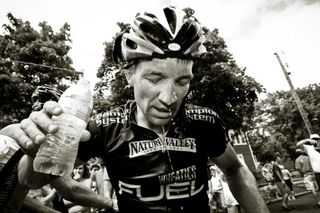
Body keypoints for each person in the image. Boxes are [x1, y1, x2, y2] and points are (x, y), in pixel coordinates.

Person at [0, 6, 269, 213]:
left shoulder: (204, 122)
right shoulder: (105, 126)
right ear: (129, 75)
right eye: (154, 79)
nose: (169, 97)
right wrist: (36, 152)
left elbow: (235, 169)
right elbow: (34, 181)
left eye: (182, 80)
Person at [0, 85, 113, 212]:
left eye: (42, 100)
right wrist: (111, 203)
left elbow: (24, 185)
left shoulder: (51, 146)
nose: (36, 105)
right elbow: (70, 189)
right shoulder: (13, 132)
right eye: (36, 101)